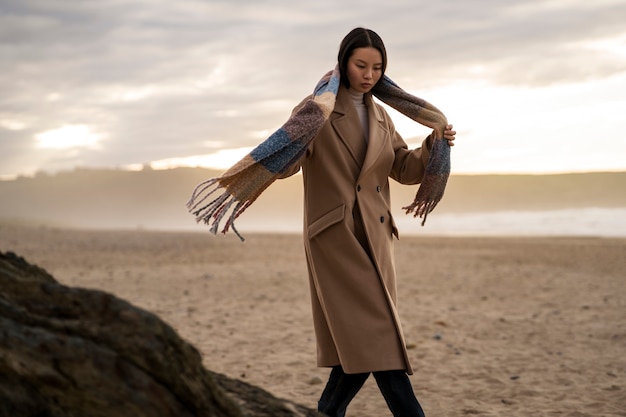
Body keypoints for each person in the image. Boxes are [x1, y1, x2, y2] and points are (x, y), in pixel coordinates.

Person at [278, 27, 456, 417]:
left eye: (377, 67)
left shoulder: (380, 116)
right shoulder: (317, 109)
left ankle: (327, 412)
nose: (369, 74)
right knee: (376, 334)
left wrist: (433, 144)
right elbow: (283, 168)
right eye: (361, 65)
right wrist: (295, 138)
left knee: (359, 341)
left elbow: (404, 170)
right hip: (335, 238)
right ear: (344, 62)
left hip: (376, 235)